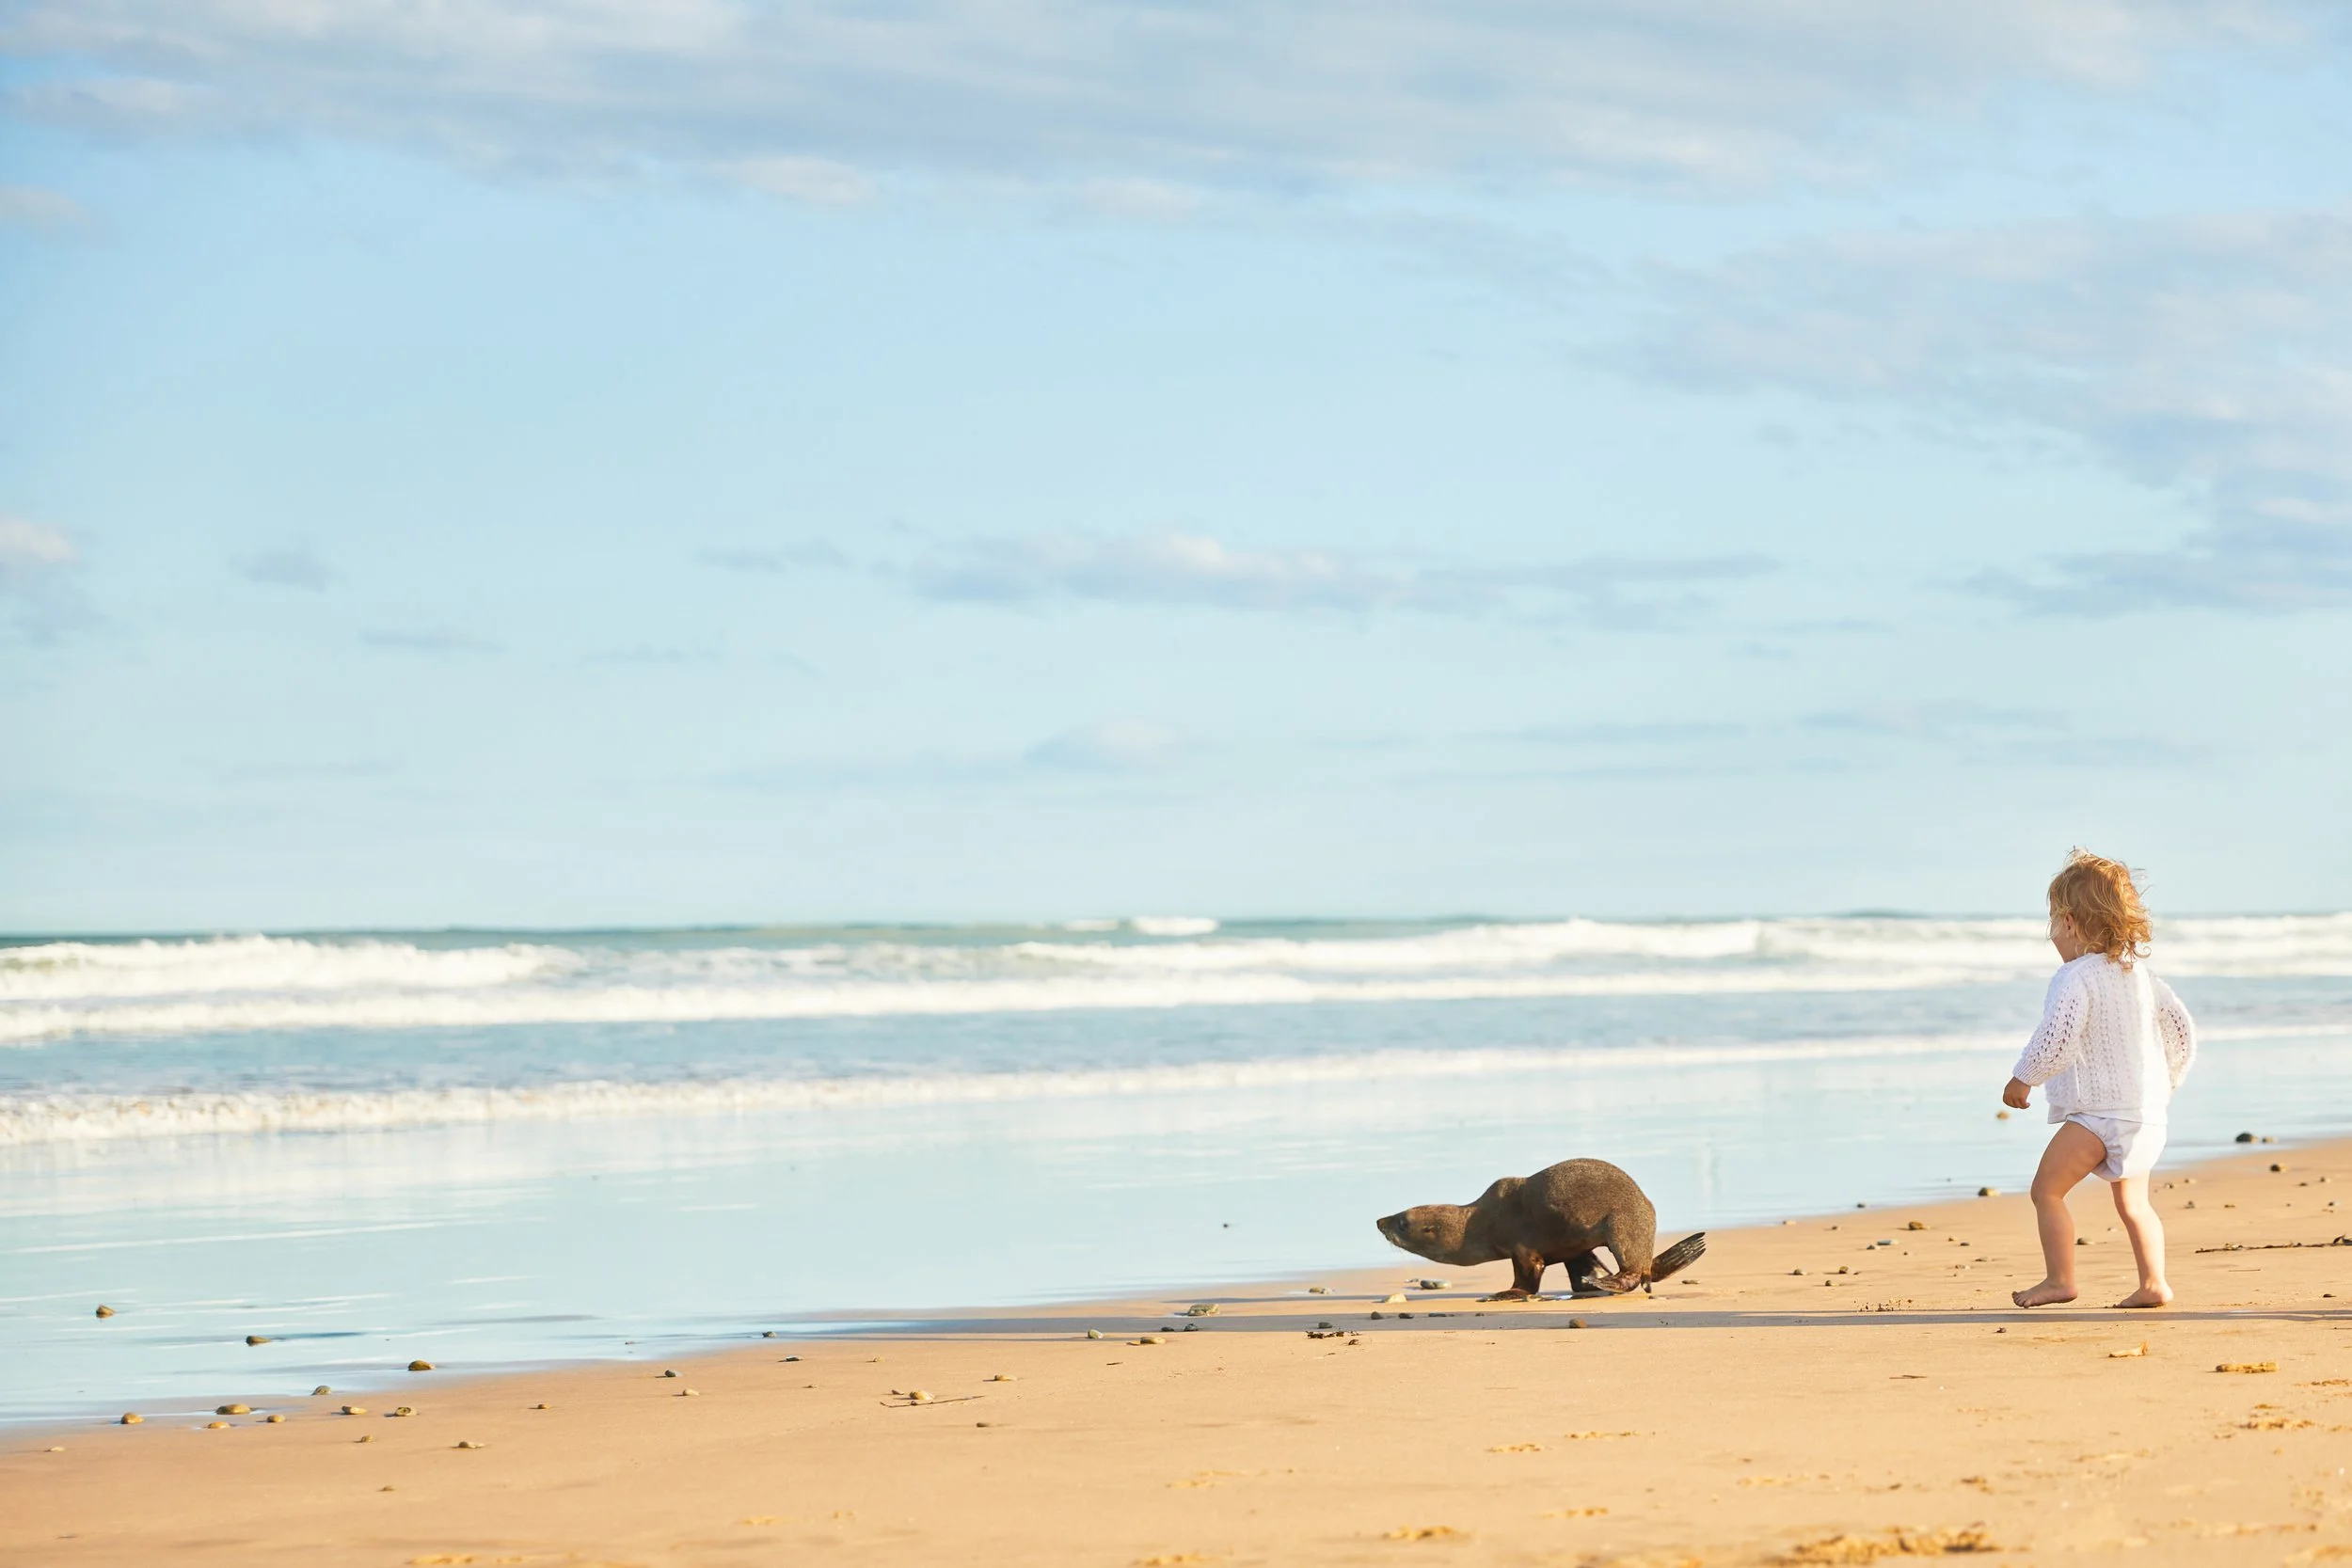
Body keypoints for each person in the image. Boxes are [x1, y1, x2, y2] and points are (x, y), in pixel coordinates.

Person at [2002, 850, 2196, 1308]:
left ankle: (2060, 1281)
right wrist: (2165, 1085)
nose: (2051, 935)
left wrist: (2022, 1078)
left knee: (2046, 1191)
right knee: (2133, 1206)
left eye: (2051, 923)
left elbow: (2057, 1038)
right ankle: (2154, 1284)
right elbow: (2181, 1030)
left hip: (2097, 1115)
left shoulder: (2075, 976)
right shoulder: (2142, 976)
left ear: (2069, 923)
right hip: (2145, 1115)